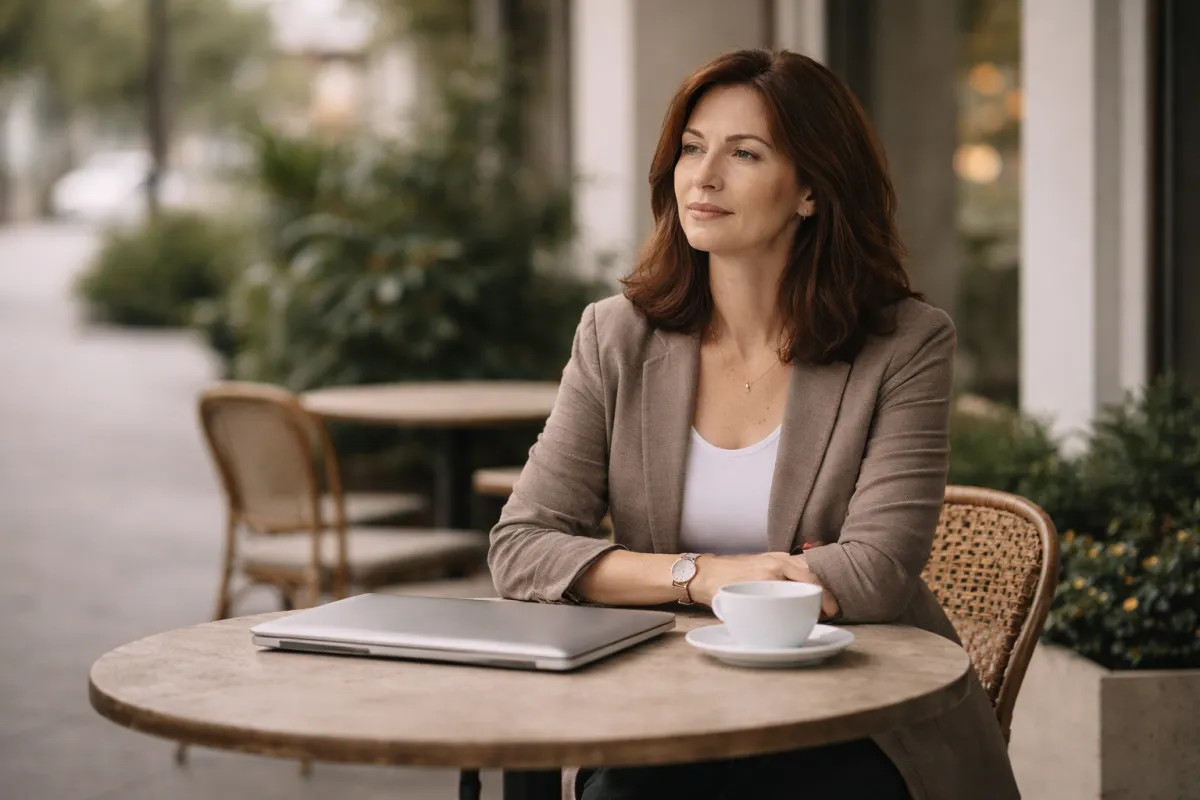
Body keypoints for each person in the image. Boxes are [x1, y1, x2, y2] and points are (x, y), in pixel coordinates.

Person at [488, 49, 1019, 800]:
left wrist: (625, 574)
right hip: (664, 706)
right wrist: (704, 576)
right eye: (692, 148)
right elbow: (523, 548)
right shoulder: (616, 337)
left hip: (857, 715)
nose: (703, 177)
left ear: (809, 190)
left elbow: (874, 571)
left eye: (744, 153)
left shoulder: (903, 343)